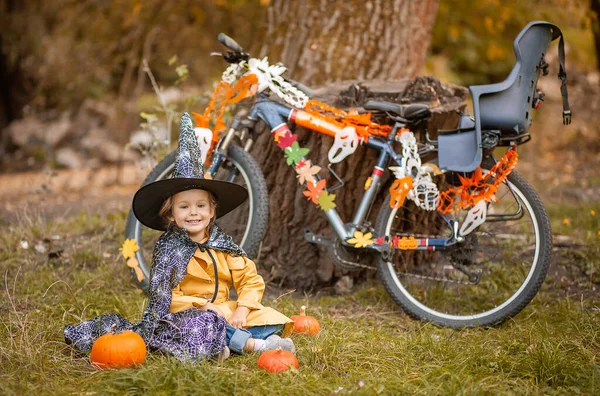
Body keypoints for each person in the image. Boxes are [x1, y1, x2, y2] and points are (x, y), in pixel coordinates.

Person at [64, 113, 294, 362]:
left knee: (270, 318)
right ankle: (251, 345)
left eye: (200, 206)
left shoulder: (223, 245)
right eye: (184, 207)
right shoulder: (169, 249)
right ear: (171, 214)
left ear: (212, 210)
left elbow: (249, 279)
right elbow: (164, 296)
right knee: (200, 326)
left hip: (226, 312)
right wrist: (204, 306)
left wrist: (242, 308)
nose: (193, 212)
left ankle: (225, 343)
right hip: (187, 315)